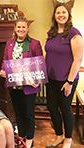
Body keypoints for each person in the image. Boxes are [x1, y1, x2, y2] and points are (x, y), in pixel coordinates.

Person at [0, 17, 43, 148]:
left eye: (24, 27)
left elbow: (39, 63)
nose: (21, 29)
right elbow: (5, 61)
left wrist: (35, 79)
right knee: (18, 112)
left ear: (28, 29)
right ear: (15, 28)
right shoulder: (9, 43)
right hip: (14, 86)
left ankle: (29, 138)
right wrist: (2, 70)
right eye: (18, 27)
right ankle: (22, 136)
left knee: (28, 113)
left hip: (29, 86)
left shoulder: (35, 44)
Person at [45, 3, 84, 148]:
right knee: (52, 107)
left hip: (67, 80)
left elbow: (78, 60)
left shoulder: (74, 34)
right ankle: (59, 136)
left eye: (63, 12)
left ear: (68, 15)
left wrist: (69, 82)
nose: (61, 15)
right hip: (51, 78)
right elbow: (48, 54)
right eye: (58, 13)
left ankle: (68, 139)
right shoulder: (51, 33)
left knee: (65, 108)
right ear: (54, 16)